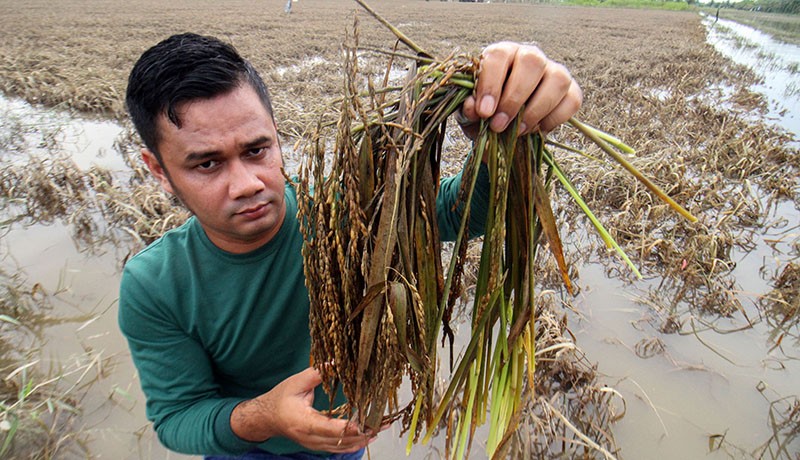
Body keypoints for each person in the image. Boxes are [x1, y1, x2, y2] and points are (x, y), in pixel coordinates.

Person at [119, 32, 581, 460]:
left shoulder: (344, 207)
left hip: (344, 442)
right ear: (158, 170)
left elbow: (465, 212)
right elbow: (178, 417)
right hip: (243, 449)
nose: (246, 184)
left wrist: (500, 131)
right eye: (206, 164)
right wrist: (266, 417)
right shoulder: (155, 284)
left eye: (257, 150)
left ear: (277, 133)